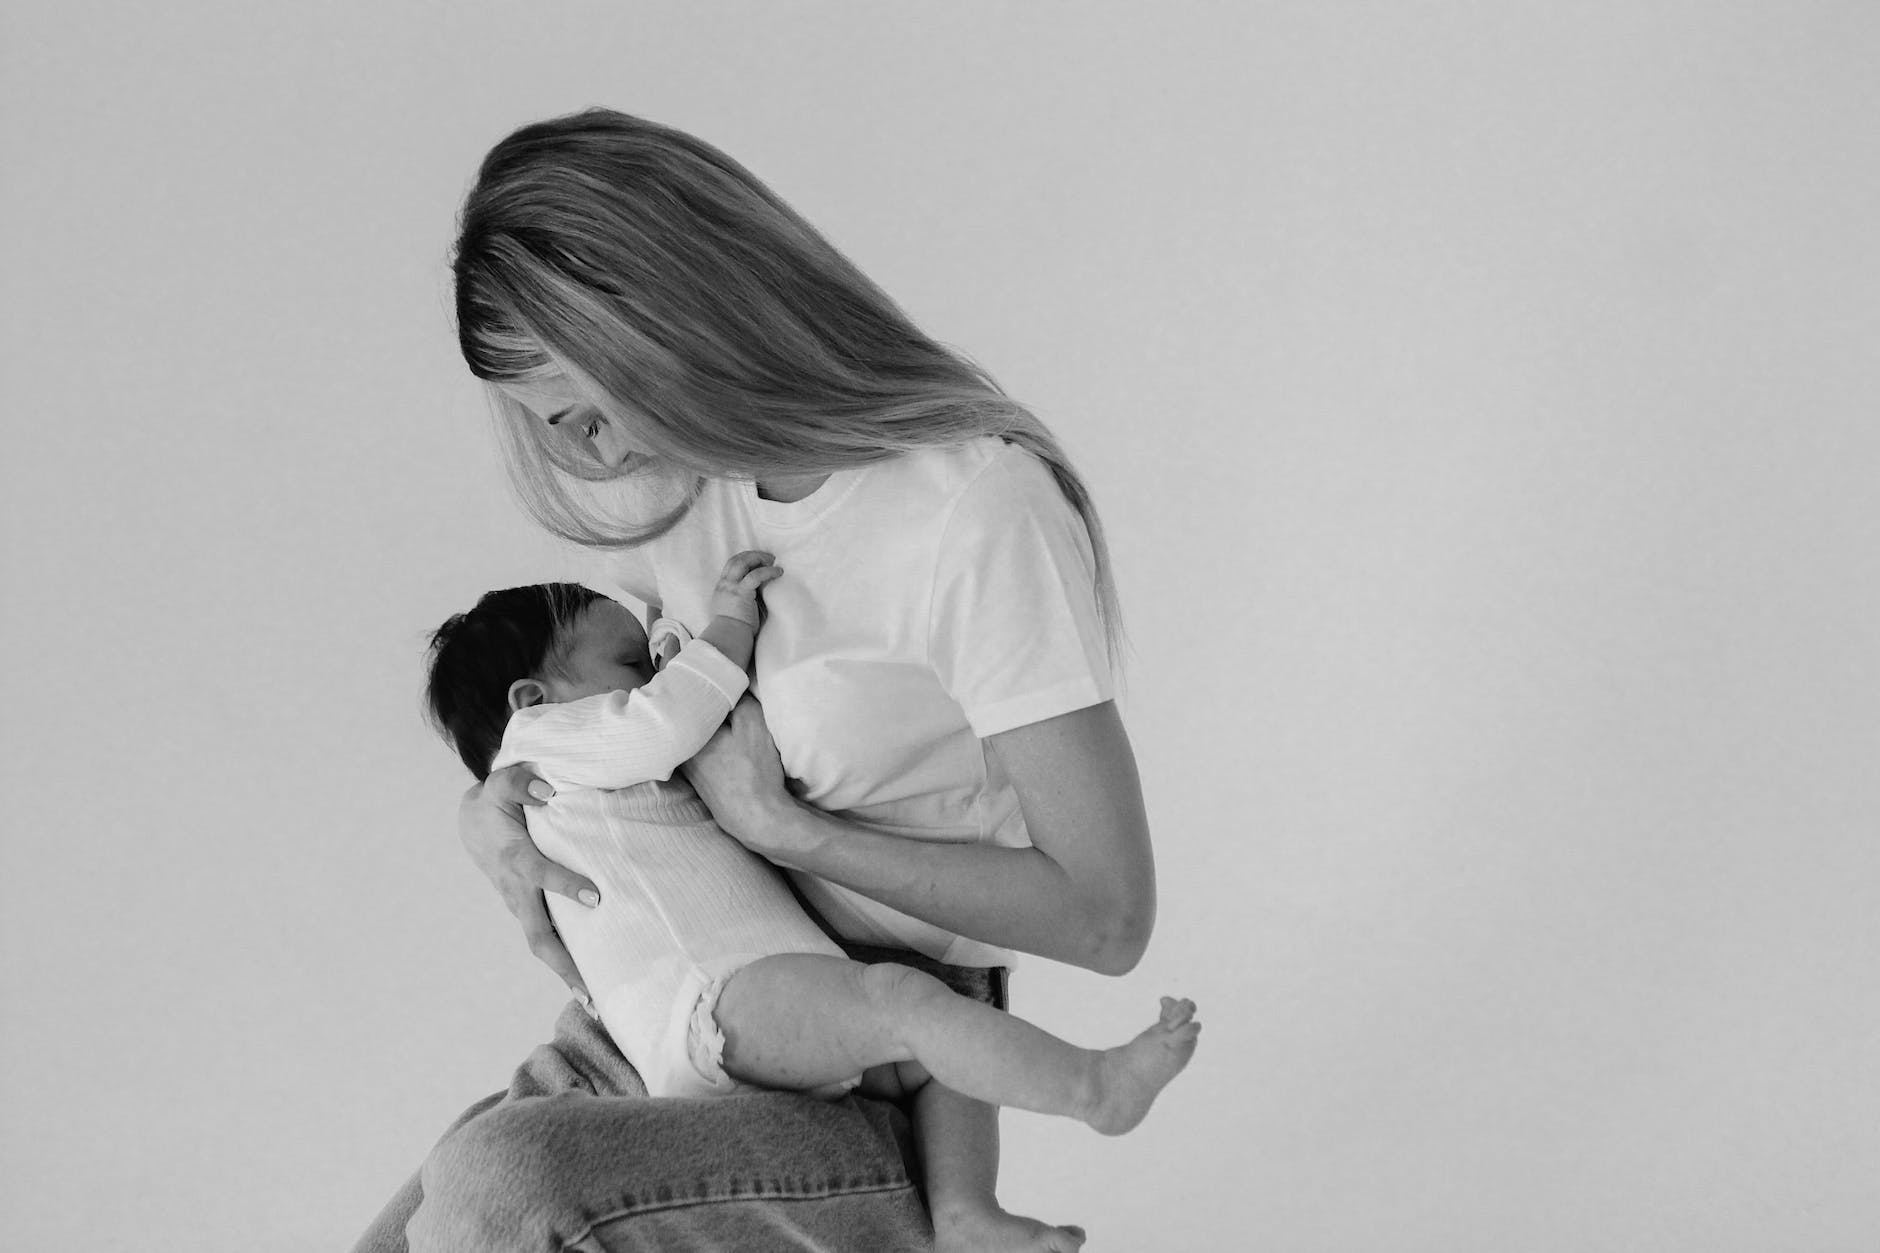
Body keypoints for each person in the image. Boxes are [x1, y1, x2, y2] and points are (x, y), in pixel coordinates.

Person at [354, 107, 1162, 1253]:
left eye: (588, 409)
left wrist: (794, 832)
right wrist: (488, 809)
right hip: (649, 1015)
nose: (593, 458)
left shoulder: (969, 508)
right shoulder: (684, 504)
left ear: (670, 316)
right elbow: (579, 716)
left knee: (504, 1187)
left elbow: (1105, 912)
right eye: (557, 429)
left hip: (876, 1053)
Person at [420, 554, 1199, 1243]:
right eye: (631, 660)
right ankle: (1091, 1087)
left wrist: (667, 647)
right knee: (905, 1003)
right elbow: (668, 720)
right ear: (532, 700)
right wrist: (726, 624)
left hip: (745, 1002)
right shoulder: (546, 745)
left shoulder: (558, 770)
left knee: (934, 1051)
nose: (653, 675)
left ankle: (963, 1213)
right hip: (713, 1003)